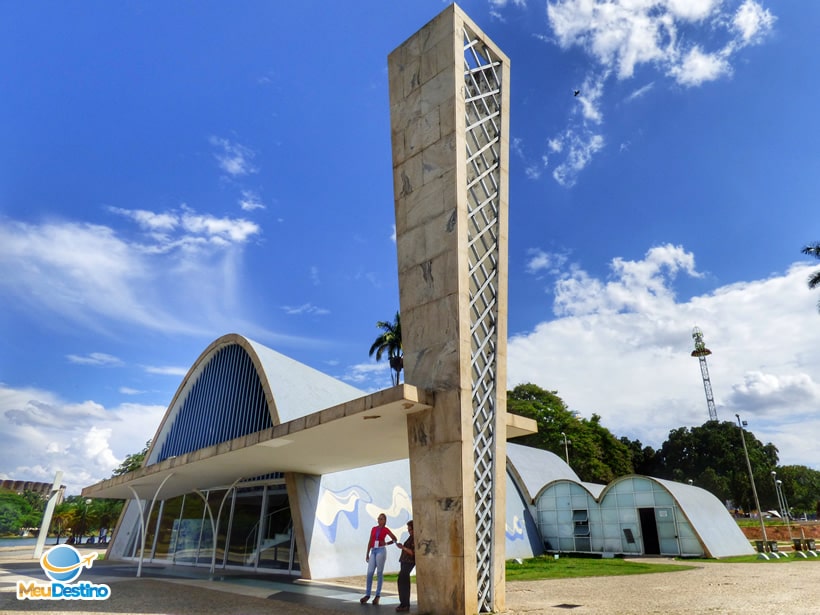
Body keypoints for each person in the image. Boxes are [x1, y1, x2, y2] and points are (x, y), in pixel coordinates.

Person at [360, 513, 398, 605]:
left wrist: (385, 543)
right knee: (369, 572)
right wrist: (367, 553)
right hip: (373, 550)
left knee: (379, 572)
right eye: (378, 518)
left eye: (381, 519)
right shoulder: (374, 529)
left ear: (384, 521)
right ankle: (367, 594)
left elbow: (394, 539)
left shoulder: (386, 529)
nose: (379, 520)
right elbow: (370, 541)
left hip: (381, 550)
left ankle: (377, 595)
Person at [395, 520, 415, 612]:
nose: (409, 531)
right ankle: (403, 603)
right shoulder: (410, 537)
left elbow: (412, 552)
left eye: (410, 529)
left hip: (409, 562)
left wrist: (403, 548)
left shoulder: (415, 538)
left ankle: (405, 604)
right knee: (401, 581)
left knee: (404, 581)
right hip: (404, 561)